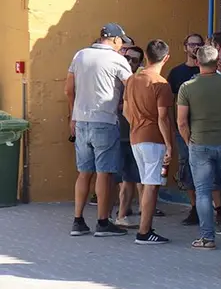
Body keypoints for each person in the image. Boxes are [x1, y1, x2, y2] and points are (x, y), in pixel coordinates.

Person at [176, 44, 221, 250]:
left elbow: (181, 121)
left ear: (197, 62)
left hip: (200, 143)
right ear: (218, 62)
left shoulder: (187, 87)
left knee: (203, 192)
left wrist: (189, 141)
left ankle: (207, 238)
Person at [66, 23, 132, 238]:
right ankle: (103, 222)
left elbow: (69, 89)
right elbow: (131, 88)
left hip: (81, 120)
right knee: (105, 172)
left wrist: (73, 116)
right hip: (104, 119)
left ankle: (78, 220)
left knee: (84, 172)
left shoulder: (80, 55)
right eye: (121, 41)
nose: (122, 45)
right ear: (113, 40)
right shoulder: (117, 59)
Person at [167, 33, 221, 228]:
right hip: (184, 129)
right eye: (191, 44)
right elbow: (169, 103)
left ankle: (219, 210)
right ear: (185, 47)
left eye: (198, 45)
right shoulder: (176, 73)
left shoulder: (213, 73)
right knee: (187, 170)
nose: (194, 48)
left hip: (208, 130)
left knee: (213, 172)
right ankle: (194, 209)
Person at [122, 39, 175, 244]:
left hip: (136, 136)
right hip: (154, 138)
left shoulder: (133, 79)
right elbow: (163, 117)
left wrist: (137, 123)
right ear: (167, 58)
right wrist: (169, 144)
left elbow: (126, 111)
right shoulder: (161, 84)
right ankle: (144, 232)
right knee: (152, 185)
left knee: (145, 182)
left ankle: (146, 228)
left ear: (145, 55)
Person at [114, 45, 145, 229]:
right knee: (115, 179)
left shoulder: (140, 81)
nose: (130, 63)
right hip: (116, 133)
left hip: (135, 134)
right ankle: (110, 216)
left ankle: (130, 215)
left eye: (134, 60)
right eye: (127, 58)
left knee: (135, 179)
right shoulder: (114, 79)